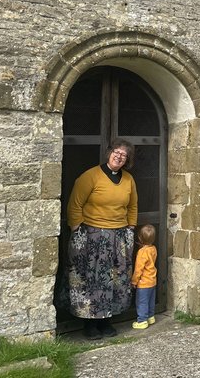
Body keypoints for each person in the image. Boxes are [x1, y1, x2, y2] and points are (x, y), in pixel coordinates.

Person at [67, 138, 138, 340]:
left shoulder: (128, 180)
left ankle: (107, 322)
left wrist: (131, 227)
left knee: (115, 280)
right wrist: (77, 228)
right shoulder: (90, 176)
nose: (119, 156)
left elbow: (132, 206)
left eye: (124, 155)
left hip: (119, 235)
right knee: (91, 280)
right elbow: (75, 204)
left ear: (127, 160)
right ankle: (89, 325)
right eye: (116, 152)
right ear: (109, 153)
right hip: (92, 235)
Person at [131, 224, 157, 329]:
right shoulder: (153, 249)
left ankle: (142, 321)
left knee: (142, 302)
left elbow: (138, 269)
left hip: (143, 283)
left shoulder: (142, 252)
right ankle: (151, 317)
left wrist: (134, 281)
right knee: (151, 300)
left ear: (140, 238)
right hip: (152, 281)